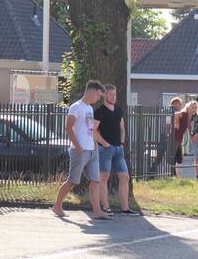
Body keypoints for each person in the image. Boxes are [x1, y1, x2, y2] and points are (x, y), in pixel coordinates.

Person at [52, 80, 108, 219]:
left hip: (92, 150)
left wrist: (98, 143)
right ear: (91, 91)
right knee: (72, 181)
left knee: (95, 180)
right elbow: (68, 128)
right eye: (98, 95)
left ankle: (97, 211)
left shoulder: (89, 109)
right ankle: (57, 206)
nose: (99, 99)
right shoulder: (76, 107)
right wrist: (78, 146)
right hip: (80, 151)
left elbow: (90, 128)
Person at [93, 84, 138, 215]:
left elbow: (122, 128)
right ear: (104, 95)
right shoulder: (99, 111)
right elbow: (93, 130)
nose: (113, 97)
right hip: (105, 149)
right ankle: (105, 207)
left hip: (118, 149)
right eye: (111, 94)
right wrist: (104, 143)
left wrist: (121, 143)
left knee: (125, 177)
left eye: (115, 94)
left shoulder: (118, 110)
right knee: (104, 177)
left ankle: (125, 208)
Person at [170, 96, 189, 177]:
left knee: (178, 157)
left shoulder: (178, 112)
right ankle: (173, 174)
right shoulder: (173, 111)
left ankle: (176, 175)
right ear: (175, 104)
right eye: (180, 104)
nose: (181, 105)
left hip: (178, 138)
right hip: (174, 138)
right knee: (174, 157)